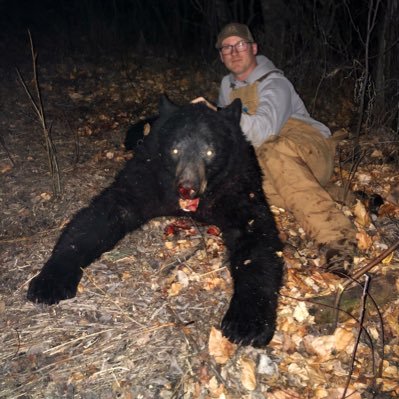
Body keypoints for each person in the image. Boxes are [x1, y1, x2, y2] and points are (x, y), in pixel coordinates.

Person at [194, 23, 357, 273]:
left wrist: (218, 115)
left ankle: (337, 240)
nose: (234, 52)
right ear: (221, 56)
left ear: (253, 48)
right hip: (275, 159)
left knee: (272, 151)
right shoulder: (227, 86)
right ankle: (343, 194)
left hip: (307, 145)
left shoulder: (275, 83)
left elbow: (263, 131)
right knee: (240, 185)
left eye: (240, 45)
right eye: (227, 48)